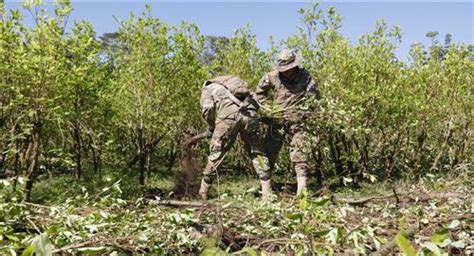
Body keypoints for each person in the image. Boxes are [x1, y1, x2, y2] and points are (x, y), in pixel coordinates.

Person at [256, 49, 320, 195]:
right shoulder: (271, 77)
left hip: (299, 122)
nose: (286, 71)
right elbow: (259, 94)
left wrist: (309, 112)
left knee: (300, 153)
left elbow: (314, 98)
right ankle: (265, 189)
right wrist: (268, 108)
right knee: (268, 153)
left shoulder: (306, 77)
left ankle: (301, 191)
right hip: (277, 121)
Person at [199, 75, 271, 200]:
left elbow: (208, 109)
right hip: (250, 114)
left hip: (228, 117)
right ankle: (267, 193)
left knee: (217, 152)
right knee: (257, 152)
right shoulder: (239, 86)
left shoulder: (209, 88)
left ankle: (202, 193)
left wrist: (211, 126)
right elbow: (256, 102)